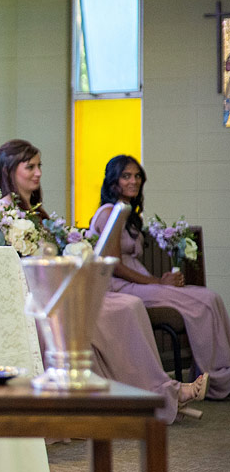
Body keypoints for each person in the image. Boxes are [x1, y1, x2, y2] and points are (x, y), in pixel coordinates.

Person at [0, 140, 206, 422]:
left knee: (130, 306)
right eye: (29, 167)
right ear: (9, 171)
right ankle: (159, 393)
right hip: (39, 297)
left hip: (58, 289)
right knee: (123, 308)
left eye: (39, 166)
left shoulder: (36, 211)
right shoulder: (4, 213)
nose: (38, 173)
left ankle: (160, 392)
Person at [90, 155, 230, 400]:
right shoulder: (107, 213)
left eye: (137, 176)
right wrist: (158, 282)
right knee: (204, 302)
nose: (134, 181)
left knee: (211, 297)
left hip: (139, 282)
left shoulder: (128, 213)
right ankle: (218, 381)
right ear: (113, 182)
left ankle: (216, 374)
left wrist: (160, 278)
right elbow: (115, 266)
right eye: (126, 176)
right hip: (119, 287)